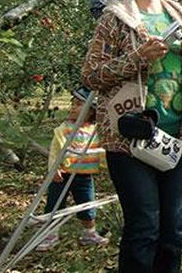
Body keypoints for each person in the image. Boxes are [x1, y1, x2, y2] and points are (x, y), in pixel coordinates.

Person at [82, 0, 182, 273]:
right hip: (130, 138)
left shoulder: (177, 13)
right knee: (143, 228)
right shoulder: (115, 18)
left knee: (172, 233)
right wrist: (138, 58)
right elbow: (92, 75)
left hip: (173, 136)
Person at [36, 86, 108, 252]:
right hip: (63, 174)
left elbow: (104, 148)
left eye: (78, 104)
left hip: (84, 175)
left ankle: (89, 233)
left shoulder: (95, 130)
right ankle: (50, 234)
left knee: (87, 205)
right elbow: (55, 150)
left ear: (91, 111)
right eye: (72, 104)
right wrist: (54, 169)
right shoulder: (65, 129)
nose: (73, 107)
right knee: (55, 204)